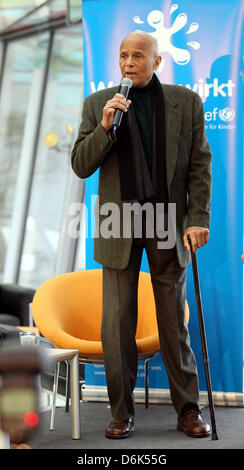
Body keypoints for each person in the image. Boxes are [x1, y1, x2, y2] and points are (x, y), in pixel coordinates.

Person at [71, 31, 212, 439]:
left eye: (137, 55)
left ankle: (188, 409)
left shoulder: (186, 102)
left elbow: (199, 165)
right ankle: (121, 412)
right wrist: (104, 128)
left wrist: (197, 217)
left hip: (168, 221)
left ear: (157, 62)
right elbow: (81, 165)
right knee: (117, 324)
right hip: (119, 223)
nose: (128, 63)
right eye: (122, 56)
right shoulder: (99, 104)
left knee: (173, 324)